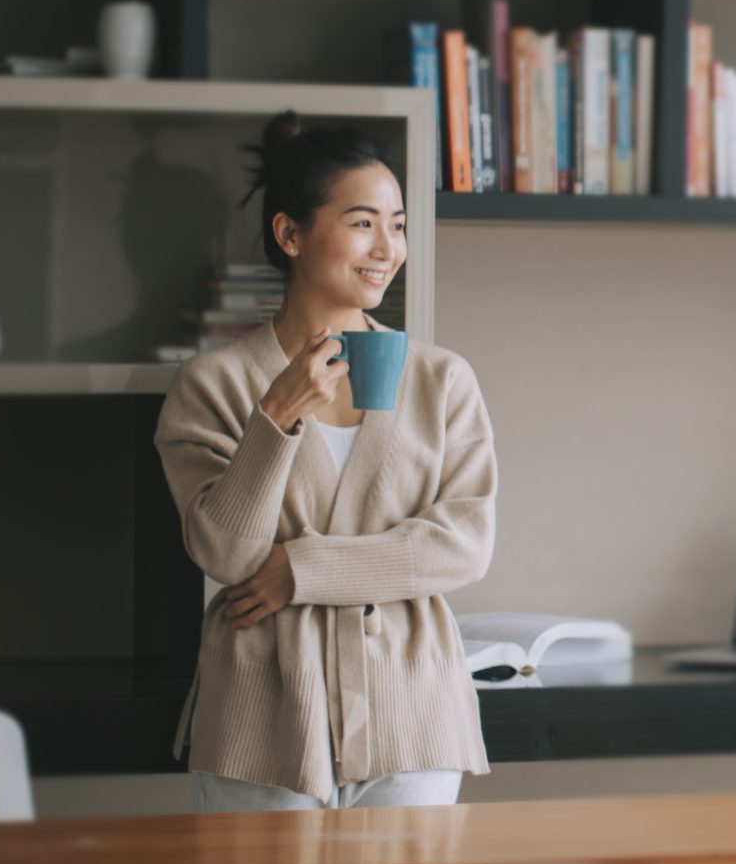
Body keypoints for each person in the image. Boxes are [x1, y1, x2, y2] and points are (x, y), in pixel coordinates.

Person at [153, 110, 495, 810]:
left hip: (412, 712)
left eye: (397, 224)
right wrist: (276, 415)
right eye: (363, 221)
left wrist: (301, 570)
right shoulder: (211, 384)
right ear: (290, 233)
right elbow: (221, 550)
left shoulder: (440, 379)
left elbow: (463, 544)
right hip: (263, 718)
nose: (387, 247)